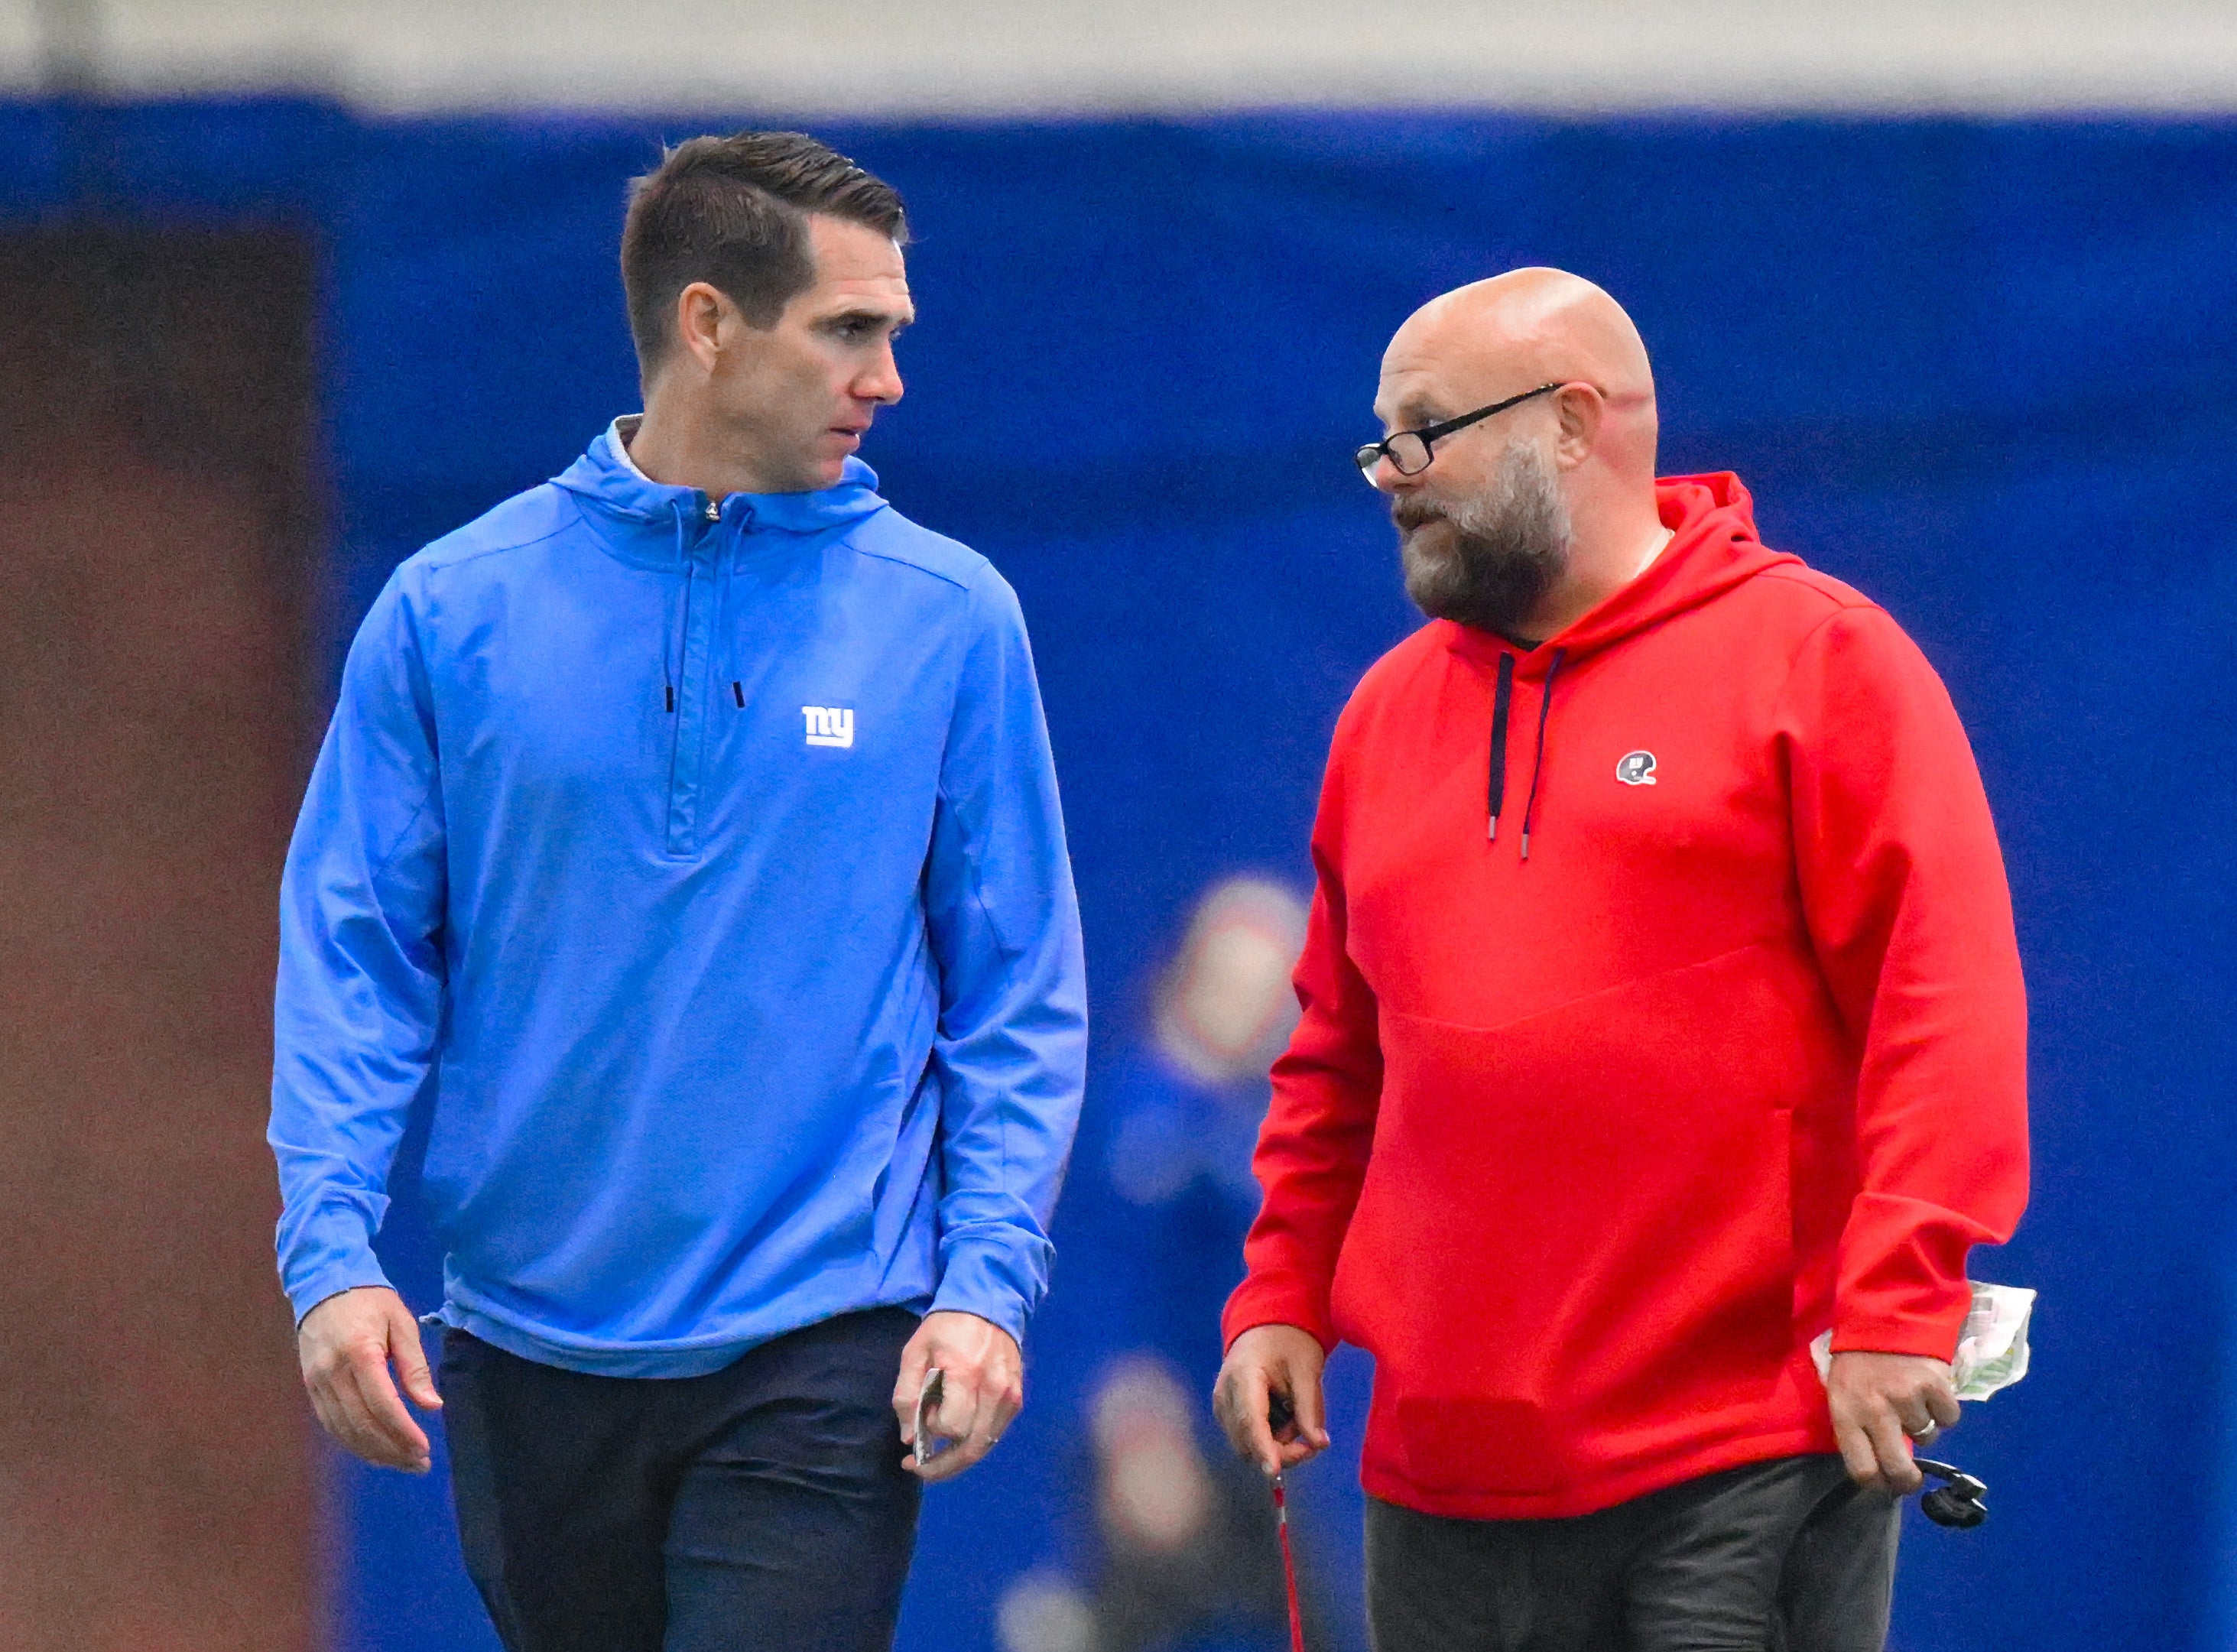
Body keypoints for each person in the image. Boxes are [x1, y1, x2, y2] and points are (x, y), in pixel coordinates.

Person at [269, 131, 1088, 1652]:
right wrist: (328, 1256)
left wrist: (980, 1291)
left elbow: (1014, 991)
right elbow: (356, 957)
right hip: (528, 1348)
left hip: (823, 1340)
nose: (889, 377)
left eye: (893, 333)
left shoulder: (949, 619)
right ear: (707, 324)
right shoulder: (450, 611)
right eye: (850, 330)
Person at [1212, 268, 2028, 1650]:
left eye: (1422, 431)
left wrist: (1901, 1301)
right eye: (1379, 439)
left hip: (1740, 1449)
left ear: (1571, 422)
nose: (1387, 474)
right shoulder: (1384, 713)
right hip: (1441, 1471)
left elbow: (1940, 1002)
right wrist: (1281, 1289)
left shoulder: (1819, 662)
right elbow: (1336, 1056)